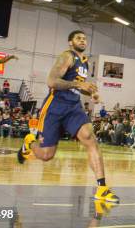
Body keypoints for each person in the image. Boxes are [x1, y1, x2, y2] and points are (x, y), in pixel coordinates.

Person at [16, 30, 119, 203]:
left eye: (85, 38)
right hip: (55, 106)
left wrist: (89, 91)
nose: (83, 40)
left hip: (73, 106)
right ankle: (29, 143)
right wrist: (79, 84)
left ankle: (102, 188)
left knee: (90, 138)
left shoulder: (84, 63)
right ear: (70, 42)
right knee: (47, 155)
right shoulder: (67, 56)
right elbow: (52, 81)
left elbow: (75, 85)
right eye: (79, 38)